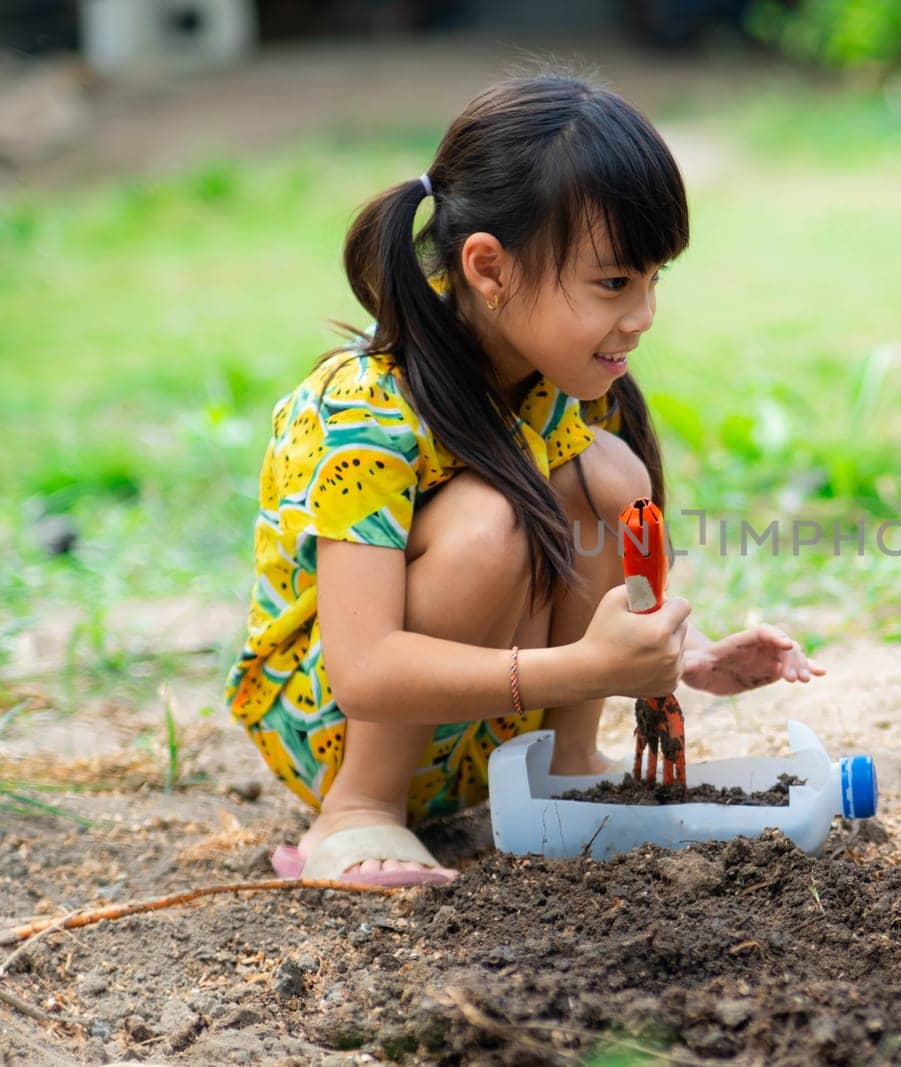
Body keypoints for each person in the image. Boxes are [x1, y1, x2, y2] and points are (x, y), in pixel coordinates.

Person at [225, 75, 822, 886]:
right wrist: (588, 667)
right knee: (493, 521)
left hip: (482, 721)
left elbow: (593, 545)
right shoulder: (366, 411)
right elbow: (363, 671)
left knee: (610, 474)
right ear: (487, 268)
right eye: (614, 283)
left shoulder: (546, 382)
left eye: (654, 280)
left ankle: (570, 767)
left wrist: (682, 655)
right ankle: (359, 813)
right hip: (334, 720)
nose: (643, 315)